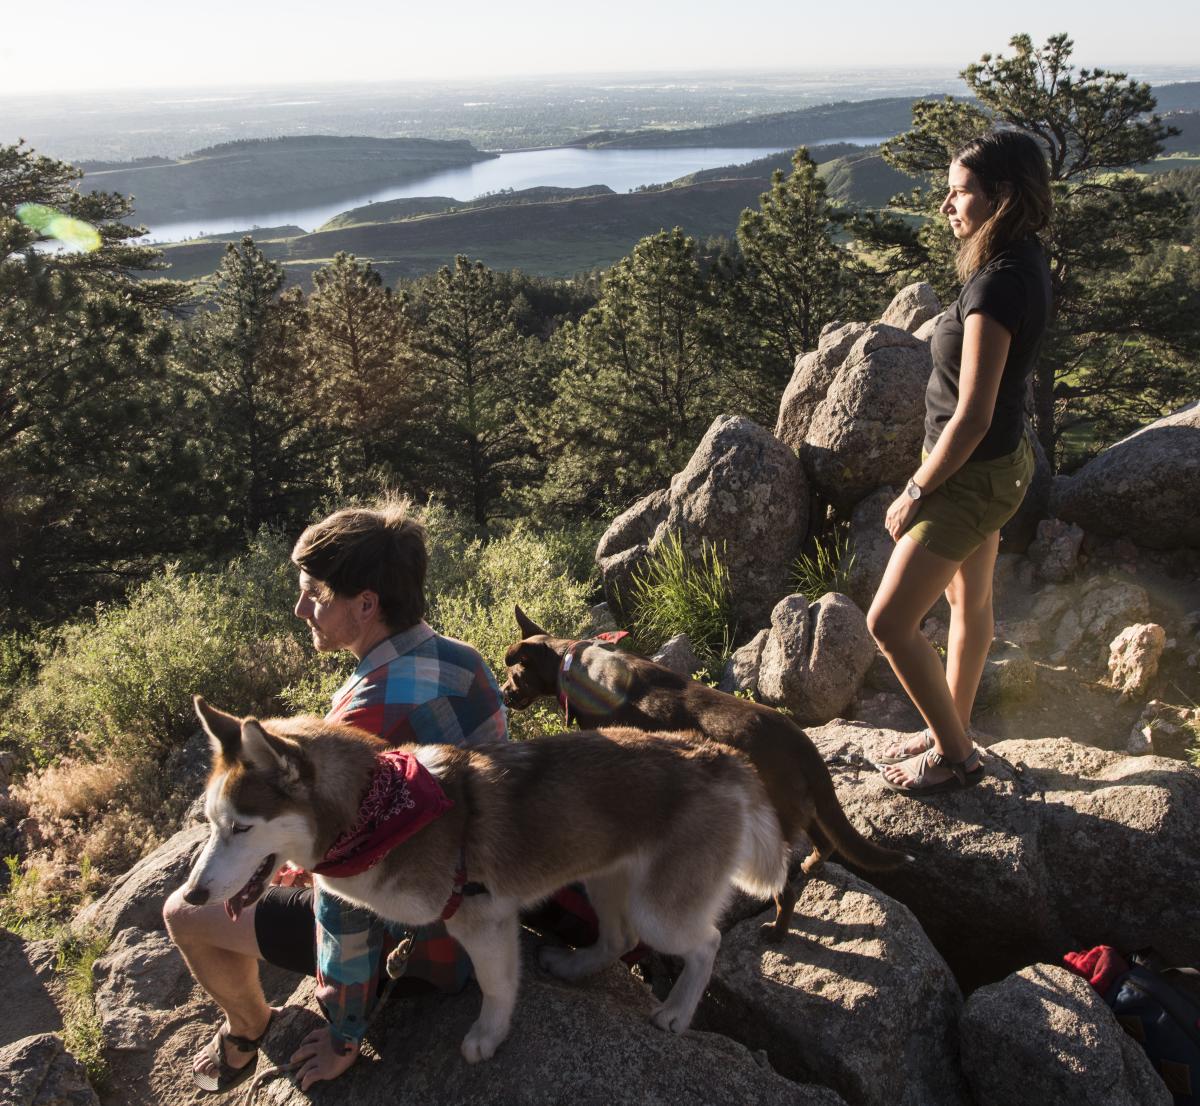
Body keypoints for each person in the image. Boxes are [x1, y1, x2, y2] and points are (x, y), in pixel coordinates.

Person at [164, 499, 508, 1092]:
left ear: (367, 603)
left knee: (184, 914)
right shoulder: (463, 660)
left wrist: (346, 1027)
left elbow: (344, 889)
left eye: (315, 595)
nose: (302, 610)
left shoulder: (362, 720)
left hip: (421, 928)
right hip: (490, 881)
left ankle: (248, 1026)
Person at [866, 130, 1053, 795]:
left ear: (1001, 196)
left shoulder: (999, 285)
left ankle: (956, 757)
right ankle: (956, 725)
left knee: (888, 622)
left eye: (960, 192)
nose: (947, 205)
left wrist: (916, 488)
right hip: (999, 466)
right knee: (968, 601)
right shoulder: (1021, 259)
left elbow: (972, 413)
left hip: (968, 475)